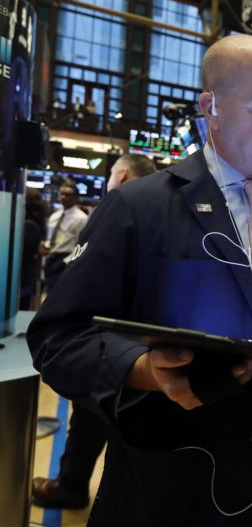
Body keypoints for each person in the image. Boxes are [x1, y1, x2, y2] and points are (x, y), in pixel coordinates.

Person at [27, 34, 252, 527]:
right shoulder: (139, 208)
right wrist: (143, 368)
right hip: (175, 490)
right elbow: (59, 336)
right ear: (212, 107)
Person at [31, 153, 158, 509]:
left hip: (109, 339)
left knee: (89, 416)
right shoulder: (165, 212)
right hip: (144, 345)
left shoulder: (119, 208)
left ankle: (72, 484)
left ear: (121, 174)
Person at [41, 182, 88, 292]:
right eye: (62, 193)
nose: (63, 197)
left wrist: (67, 262)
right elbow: (50, 238)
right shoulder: (54, 216)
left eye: (67, 194)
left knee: (60, 293)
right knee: (48, 293)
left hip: (66, 260)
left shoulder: (81, 218)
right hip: (50, 258)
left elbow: (82, 244)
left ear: (75, 197)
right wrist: (45, 246)